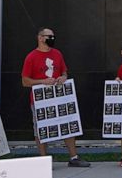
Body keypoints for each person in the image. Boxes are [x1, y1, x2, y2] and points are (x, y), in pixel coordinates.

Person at [21, 27, 90, 167]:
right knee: (41, 128)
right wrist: (42, 81)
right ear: (40, 38)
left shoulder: (57, 54)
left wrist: (63, 77)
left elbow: (64, 71)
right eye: (48, 36)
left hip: (59, 97)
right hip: (40, 100)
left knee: (67, 124)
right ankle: (43, 160)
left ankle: (74, 157)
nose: (51, 39)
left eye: (53, 36)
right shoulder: (31, 57)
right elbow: (25, 81)